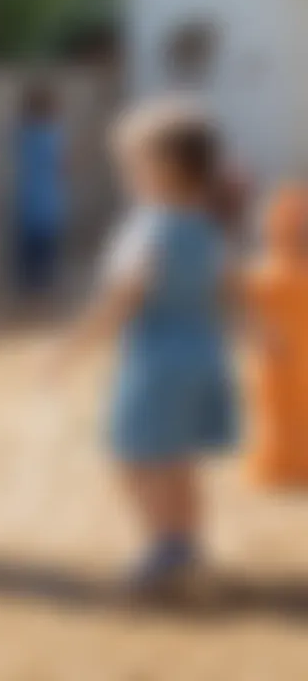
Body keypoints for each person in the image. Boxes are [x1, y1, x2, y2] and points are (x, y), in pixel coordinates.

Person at [49, 98, 235, 593]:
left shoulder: (147, 229)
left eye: (132, 163)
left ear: (166, 169)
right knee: (178, 459)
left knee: (133, 455)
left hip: (156, 361)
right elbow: (228, 286)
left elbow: (122, 299)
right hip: (203, 355)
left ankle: (162, 546)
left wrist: (73, 345)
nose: (125, 173)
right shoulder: (208, 228)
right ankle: (188, 541)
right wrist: (267, 334)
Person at [244, 185, 308, 488]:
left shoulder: (274, 268)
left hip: (293, 343)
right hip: (277, 347)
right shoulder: (268, 267)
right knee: (276, 406)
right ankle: (281, 464)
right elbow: (249, 309)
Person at [13, 83, 69, 295]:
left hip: (27, 197)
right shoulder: (53, 132)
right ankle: (44, 294)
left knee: (28, 253)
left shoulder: (21, 132)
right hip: (49, 199)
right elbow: (62, 165)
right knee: (47, 251)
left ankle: (30, 293)